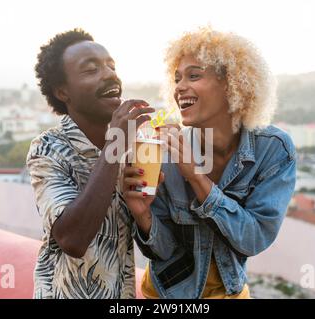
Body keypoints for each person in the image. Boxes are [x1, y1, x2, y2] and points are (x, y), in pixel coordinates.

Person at [122, 27, 297, 299]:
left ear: (232, 83)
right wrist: (142, 214)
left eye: (194, 75)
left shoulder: (273, 150)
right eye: (177, 78)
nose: (179, 86)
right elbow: (162, 252)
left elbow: (254, 238)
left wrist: (197, 177)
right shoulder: (164, 150)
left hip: (231, 293)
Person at [26, 28, 154, 299]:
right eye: (90, 70)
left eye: (111, 65)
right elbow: (72, 239)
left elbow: (156, 246)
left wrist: (145, 217)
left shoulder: (135, 147)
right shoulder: (48, 149)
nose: (109, 74)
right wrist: (114, 148)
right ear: (63, 92)